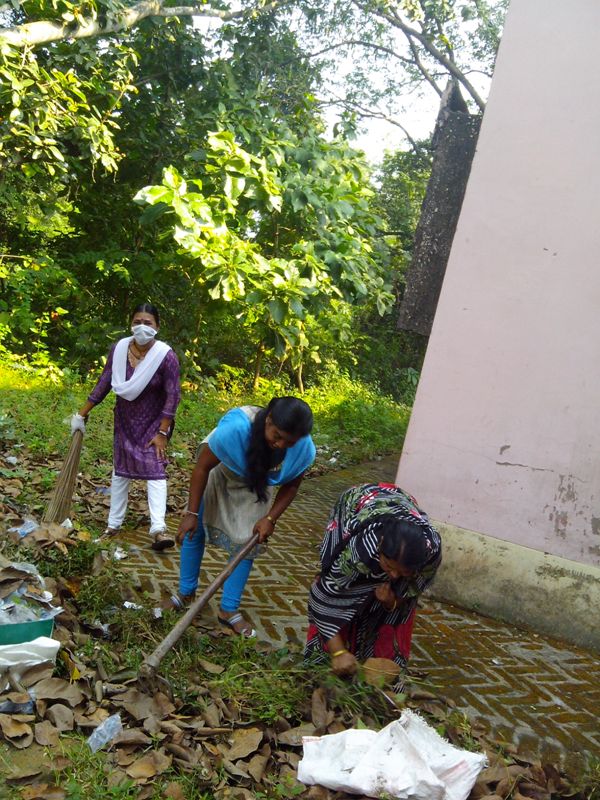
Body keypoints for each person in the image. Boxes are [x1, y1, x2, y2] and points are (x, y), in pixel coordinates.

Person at [169, 397, 315, 636]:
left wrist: (270, 519)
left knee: (248, 542)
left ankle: (228, 609)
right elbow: (202, 468)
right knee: (194, 531)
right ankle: (185, 594)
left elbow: (291, 486)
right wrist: (191, 513)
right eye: (276, 435)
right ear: (268, 420)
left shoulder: (303, 449)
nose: (280, 444)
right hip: (219, 470)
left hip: (256, 484)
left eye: (288, 442)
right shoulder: (235, 430)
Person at [71, 303, 181, 550]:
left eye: (148, 323)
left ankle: (158, 528)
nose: (142, 327)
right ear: (131, 324)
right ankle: (113, 525)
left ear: (157, 327)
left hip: (155, 423)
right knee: (120, 472)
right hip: (125, 421)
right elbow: (105, 381)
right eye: (137, 321)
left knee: (155, 471)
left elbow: (173, 396)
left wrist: (163, 432)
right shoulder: (119, 349)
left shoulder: (166, 356)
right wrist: (82, 413)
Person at [305, 482, 441, 679]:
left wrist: (392, 600)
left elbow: (411, 591)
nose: (393, 576)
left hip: (400, 503)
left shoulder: (431, 553)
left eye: (402, 572)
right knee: (336, 586)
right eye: (389, 566)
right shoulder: (360, 552)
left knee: (390, 610)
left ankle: (379, 668)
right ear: (379, 550)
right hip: (358, 502)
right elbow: (321, 598)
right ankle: (324, 662)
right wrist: (339, 652)